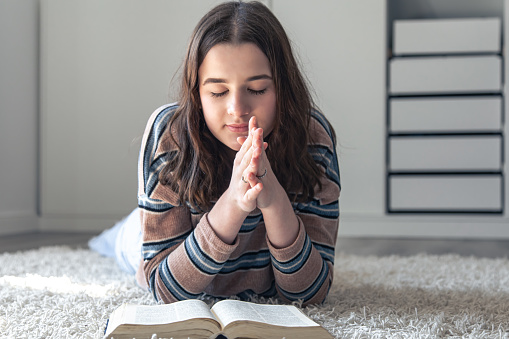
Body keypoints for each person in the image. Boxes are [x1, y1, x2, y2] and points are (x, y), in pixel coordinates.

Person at [90, 0, 340, 306]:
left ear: (283, 89)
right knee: (118, 240)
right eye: (218, 92)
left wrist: (274, 200)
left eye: (258, 89)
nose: (237, 110)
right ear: (196, 94)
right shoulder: (171, 137)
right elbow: (165, 290)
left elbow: (310, 294)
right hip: (156, 234)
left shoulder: (312, 137)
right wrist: (234, 203)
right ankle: (113, 234)